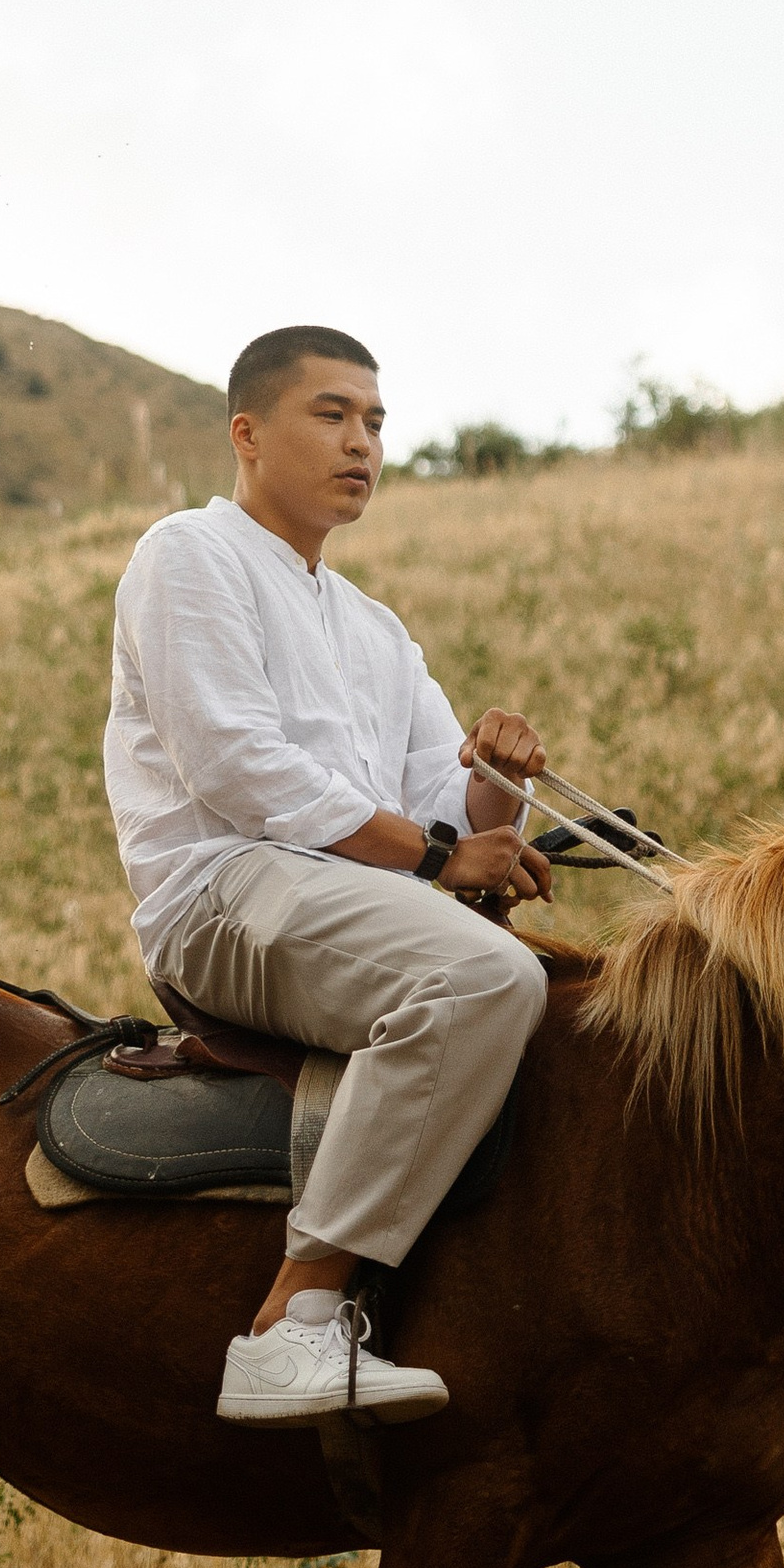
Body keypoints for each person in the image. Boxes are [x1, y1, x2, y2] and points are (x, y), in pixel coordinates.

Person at [103, 325, 553, 1426]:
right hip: (224, 890)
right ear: (247, 435)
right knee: (485, 981)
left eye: (377, 422)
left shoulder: (373, 628)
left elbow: (445, 806)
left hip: (344, 899)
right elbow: (237, 765)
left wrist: (496, 783)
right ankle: (294, 1324)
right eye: (333, 415)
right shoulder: (186, 556)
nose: (362, 443)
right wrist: (447, 857)